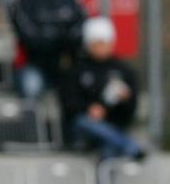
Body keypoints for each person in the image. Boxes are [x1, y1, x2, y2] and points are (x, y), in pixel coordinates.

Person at [61, 17, 144, 160]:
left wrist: (125, 100)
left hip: (112, 125)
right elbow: (68, 102)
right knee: (86, 122)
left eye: (104, 42)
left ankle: (118, 147)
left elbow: (131, 107)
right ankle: (129, 145)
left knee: (108, 152)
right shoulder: (77, 71)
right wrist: (89, 109)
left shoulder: (123, 71)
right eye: (96, 42)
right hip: (83, 128)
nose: (101, 47)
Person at [10, 0, 86, 99]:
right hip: (34, 66)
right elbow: (31, 39)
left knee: (86, 83)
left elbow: (78, 30)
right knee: (31, 86)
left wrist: (52, 36)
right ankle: (30, 123)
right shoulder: (23, 1)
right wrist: (61, 38)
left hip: (66, 64)